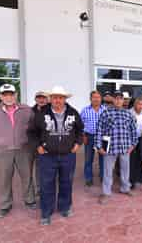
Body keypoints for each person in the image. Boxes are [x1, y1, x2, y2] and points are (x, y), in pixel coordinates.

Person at [0, 84, 36, 218]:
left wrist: (32, 146)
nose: (8, 97)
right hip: (2, 152)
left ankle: (30, 200)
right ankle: (5, 205)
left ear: (15, 95)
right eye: (5, 94)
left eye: (11, 94)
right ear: (0, 96)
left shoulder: (26, 110)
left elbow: (35, 128)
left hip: (23, 150)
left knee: (27, 177)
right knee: (4, 179)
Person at [32, 86, 83, 225]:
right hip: (47, 156)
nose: (57, 100)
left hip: (68, 155)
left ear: (65, 99)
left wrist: (78, 143)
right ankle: (46, 213)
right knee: (46, 184)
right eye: (55, 97)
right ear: (51, 99)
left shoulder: (73, 113)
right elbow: (32, 132)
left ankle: (64, 208)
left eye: (60, 97)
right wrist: (38, 146)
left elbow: (80, 130)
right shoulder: (41, 113)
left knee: (66, 182)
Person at [96, 91, 138, 204]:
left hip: (125, 147)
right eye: (116, 98)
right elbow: (99, 130)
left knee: (125, 169)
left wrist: (133, 144)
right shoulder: (106, 113)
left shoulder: (128, 114)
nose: (119, 100)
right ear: (113, 100)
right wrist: (99, 146)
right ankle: (106, 192)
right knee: (108, 170)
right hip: (110, 147)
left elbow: (133, 130)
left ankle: (125, 188)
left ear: (123, 100)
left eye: (121, 98)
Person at [80, 91, 106, 187]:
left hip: (102, 137)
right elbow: (80, 125)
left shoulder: (105, 110)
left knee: (103, 158)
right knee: (88, 159)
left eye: (98, 97)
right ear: (90, 99)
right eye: (94, 97)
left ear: (101, 99)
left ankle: (103, 176)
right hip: (89, 136)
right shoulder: (84, 110)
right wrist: (83, 136)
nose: (96, 99)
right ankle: (88, 178)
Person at [30, 91, 49, 196]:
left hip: (50, 145)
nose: (41, 100)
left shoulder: (52, 110)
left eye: (44, 98)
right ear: (35, 99)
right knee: (39, 167)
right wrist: (37, 145)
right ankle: (39, 189)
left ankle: (49, 188)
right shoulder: (31, 111)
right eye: (39, 98)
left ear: (47, 99)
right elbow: (30, 130)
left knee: (51, 168)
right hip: (36, 145)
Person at [129, 98, 142, 188]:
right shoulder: (129, 113)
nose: (140, 106)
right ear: (134, 105)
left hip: (141, 138)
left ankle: (139, 177)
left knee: (141, 158)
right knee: (132, 160)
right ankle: (131, 181)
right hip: (131, 139)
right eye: (138, 104)